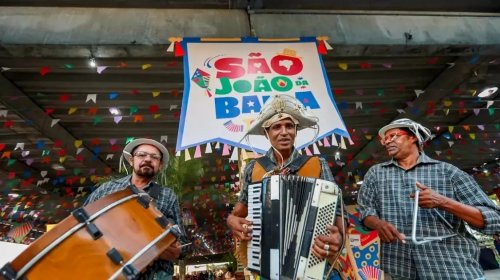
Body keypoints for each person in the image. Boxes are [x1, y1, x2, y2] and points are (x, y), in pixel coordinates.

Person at [357, 118, 500, 280]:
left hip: (452, 268)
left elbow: (493, 219)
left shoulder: (448, 172)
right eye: (385, 139)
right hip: (401, 269)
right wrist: (378, 223)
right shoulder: (376, 174)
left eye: (394, 136)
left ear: (414, 137)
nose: (388, 141)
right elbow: (365, 210)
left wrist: (443, 202)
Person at [227, 94, 345, 277]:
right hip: (268, 263)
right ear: (267, 133)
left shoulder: (317, 165)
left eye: (289, 126)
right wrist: (231, 221)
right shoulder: (254, 168)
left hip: (313, 261)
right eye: (276, 127)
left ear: (296, 130)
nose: (284, 132)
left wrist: (339, 237)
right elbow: (238, 213)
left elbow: (338, 216)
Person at [84, 138, 186, 280]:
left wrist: (177, 249)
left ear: (160, 165)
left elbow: (182, 240)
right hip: (108, 270)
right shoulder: (107, 189)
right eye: (142, 155)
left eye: (154, 157)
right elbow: (82, 222)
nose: (148, 159)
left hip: (154, 274)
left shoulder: (168, 196)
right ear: (131, 160)